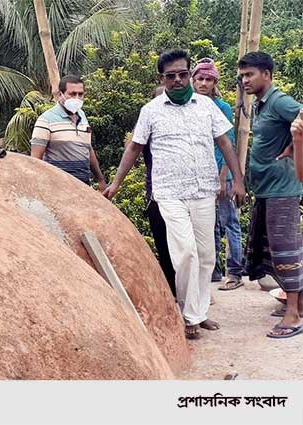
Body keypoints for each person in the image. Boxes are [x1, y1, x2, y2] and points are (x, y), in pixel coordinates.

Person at [103, 49, 246, 340]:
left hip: (204, 190)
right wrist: (116, 183)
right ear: (162, 78)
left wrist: (238, 181)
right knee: (186, 254)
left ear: (189, 74)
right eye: (171, 76)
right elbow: (134, 148)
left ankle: (199, 311)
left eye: (183, 74)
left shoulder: (206, 107)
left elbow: (225, 143)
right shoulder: (151, 110)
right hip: (169, 193)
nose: (178, 80)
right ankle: (188, 315)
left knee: (206, 256)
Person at [238, 52, 303, 338]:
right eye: (242, 76)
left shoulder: (280, 101)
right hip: (268, 190)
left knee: (285, 250)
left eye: (249, 74)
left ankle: (293, 316)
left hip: (283, 190)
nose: (245, 80)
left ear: (267, 74)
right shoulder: (263, 106)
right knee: (273, 250)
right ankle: (297, 305)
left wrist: (294, 146)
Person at [191, 58, 245, 290]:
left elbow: (227, 143)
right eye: (200, 79)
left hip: (222, 173)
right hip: (200, 175)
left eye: (208, 79)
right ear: (193, 80)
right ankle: (213, 270)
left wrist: (224, 177)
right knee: (207, 223)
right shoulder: (190, 106)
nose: (203, 83)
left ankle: (235, 272)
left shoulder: (221, 107)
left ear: (215, 82)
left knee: (229, 221)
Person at [31, 75, 108, 190]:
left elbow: (88, 148)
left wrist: (101, 180)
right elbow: (35, 160)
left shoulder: (82, 117)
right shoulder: (46, 120)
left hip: (84, 186)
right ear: (60, 95)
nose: (77, 98)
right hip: (57, 188)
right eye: (72, 94)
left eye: (80, 94)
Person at [143, 85, 176, 298]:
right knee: (164, 248)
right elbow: (132, 148)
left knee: (186, 251)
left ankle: (190, 296)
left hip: (182, 196)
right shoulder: (146, 129)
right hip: (156, 196)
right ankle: (172, 293)